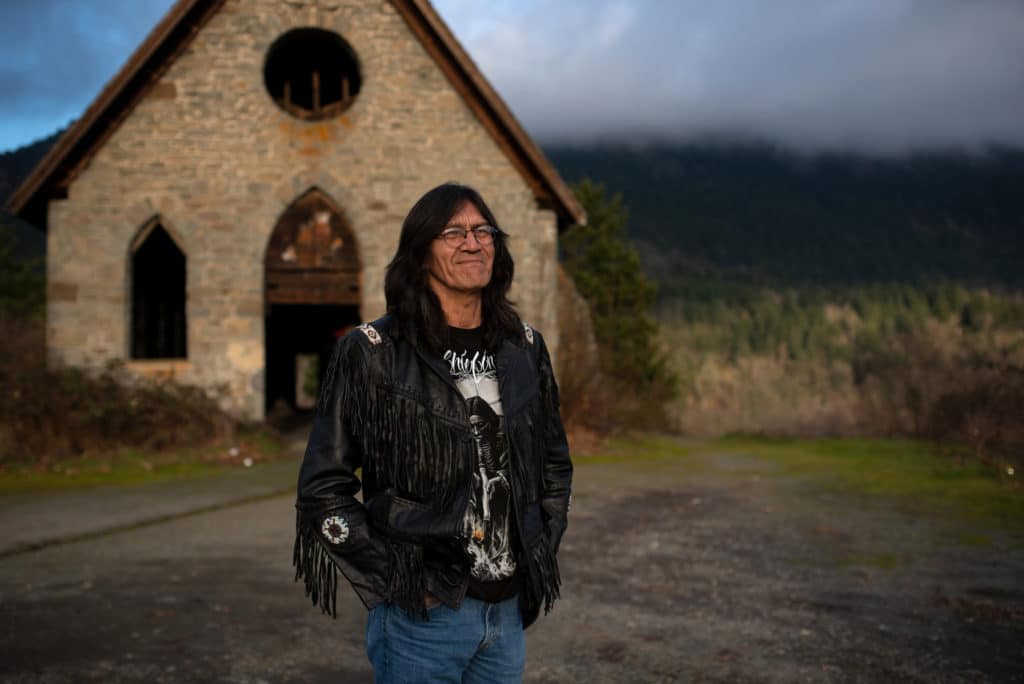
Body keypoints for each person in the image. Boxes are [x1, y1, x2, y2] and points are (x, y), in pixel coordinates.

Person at [293, 182, 572, 682]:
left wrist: (539, 547)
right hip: (421, 620)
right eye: (453, 232)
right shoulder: (373, 352)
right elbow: (322, 491)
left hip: (506, 615)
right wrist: (398, 582)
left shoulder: (524, 348)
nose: (473, 242)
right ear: (420, 254)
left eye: (483, 230)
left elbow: (554, 467)